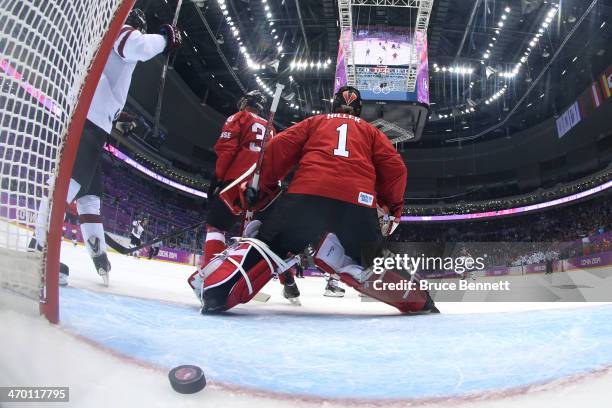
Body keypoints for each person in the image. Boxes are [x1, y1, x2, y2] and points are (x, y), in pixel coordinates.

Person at [188, 86, 437, 314]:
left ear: (333, 106)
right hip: (357, 202)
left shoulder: (315, 122)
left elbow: (277, 148)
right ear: (360, 110)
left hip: (308, 195)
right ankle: (421, 301)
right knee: (372, 257)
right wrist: (391, 208)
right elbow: (396, 169)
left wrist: (263, 188)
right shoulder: (372, 132)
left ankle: (217, 294)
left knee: (271, 246)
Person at [32, 8, 182, 286]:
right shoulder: (122, 32)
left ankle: (99, 257)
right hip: (89, 122)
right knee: (70, 184)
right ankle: (37, 248)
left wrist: (116, 113)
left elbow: (105, 79)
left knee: (90, 195)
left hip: (90, 118)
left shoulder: (103, 41)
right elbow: (134, 45)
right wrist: (164, 38)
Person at [196, 90, 300, 303]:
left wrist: (218, 179)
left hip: (238, 179)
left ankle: (211, 280)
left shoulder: (238, 117)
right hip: (266, 185)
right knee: (267, 237)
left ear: (245, 102)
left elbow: (227, 150)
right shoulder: (271, 128)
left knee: (216, 227)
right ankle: (288, 282)